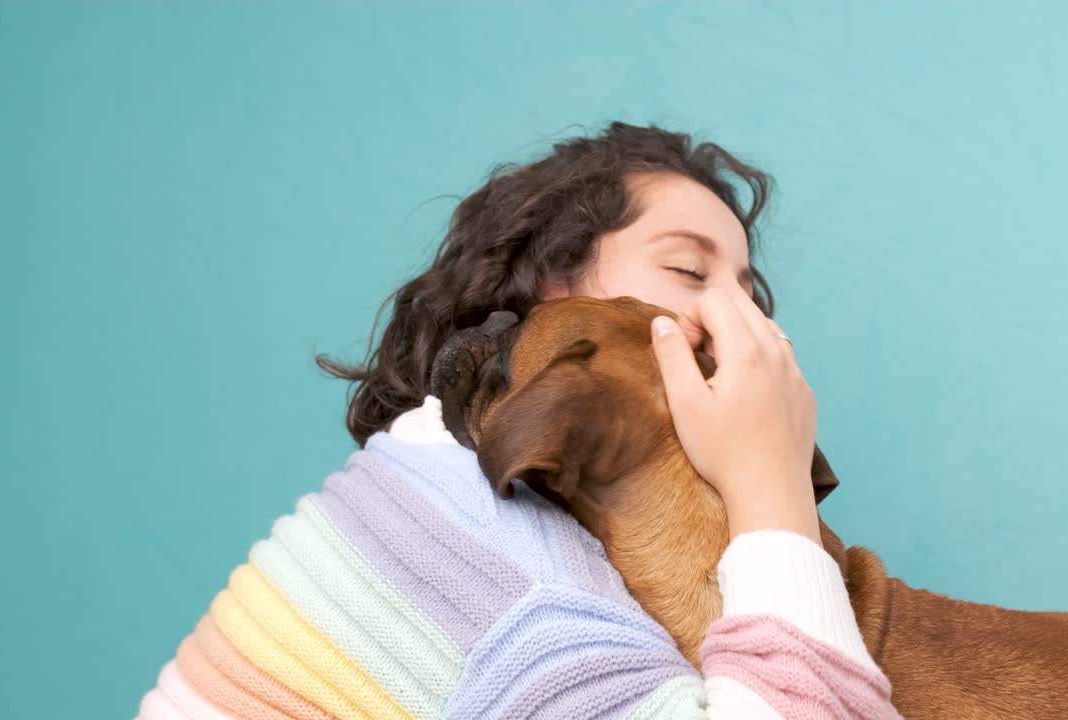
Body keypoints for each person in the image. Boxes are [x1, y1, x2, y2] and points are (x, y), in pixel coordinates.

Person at [137, 122, 901, 719]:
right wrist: (771, 487)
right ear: (550, 283)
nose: (739, 324)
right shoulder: (515, 577)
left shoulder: (438, 479)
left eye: (749, 294)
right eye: (689, 272)